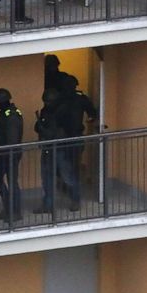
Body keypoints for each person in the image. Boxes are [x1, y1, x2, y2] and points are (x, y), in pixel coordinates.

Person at [54, 74, 99, 211]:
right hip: (70, 139)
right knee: (69, 170)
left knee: (69, 170)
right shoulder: (78, 99)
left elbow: (93, 113)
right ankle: (72, 194)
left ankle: (75, 198)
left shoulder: (64, 99)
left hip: (70, 139)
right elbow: (92, 113)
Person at [0, 88, 24, 221]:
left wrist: (2, 152)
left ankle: (15, 212)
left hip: (10, 155)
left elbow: (12, 139)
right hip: (3, 154)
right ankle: (8, 208)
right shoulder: (5, 113)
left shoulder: (11, 115)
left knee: (12, 183)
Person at [33, 88, 65, 214]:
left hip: (58, 149)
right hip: (47, 148)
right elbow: (41, 127)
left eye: (49, 101)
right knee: (46, 179)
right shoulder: (45, 111)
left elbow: (54, 133)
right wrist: (39, 126)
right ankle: (48, 204)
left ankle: (75, 199)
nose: (46, 104)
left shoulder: (61, 113)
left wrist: (42, 129)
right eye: (45, 101)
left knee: (67, 176)